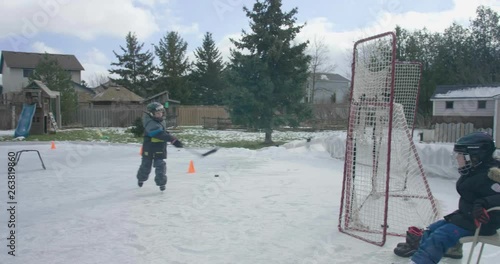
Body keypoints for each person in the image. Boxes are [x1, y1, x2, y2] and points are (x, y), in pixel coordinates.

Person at [394, 131, 500, 263]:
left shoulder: (491, 175)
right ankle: (428, 254)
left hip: (482, 223)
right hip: (467, 217)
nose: (457, 158)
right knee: (431, 230)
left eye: (461, 155)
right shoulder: (475, 171)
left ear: (475, 157)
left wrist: (484, 203)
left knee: (440, 236)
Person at [136, 102, 183, 191]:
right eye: (157, 113)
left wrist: (171, 137)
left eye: (161, 112)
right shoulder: (149, 122)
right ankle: (141, 178)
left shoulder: (160, 120)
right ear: (151, 114)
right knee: (146, 166)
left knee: (160, 166)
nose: (160, 114)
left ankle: (161, 183)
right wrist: (172, 140)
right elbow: (157, 133)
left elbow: (163, 132)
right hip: (149, 148)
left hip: (159, 147)